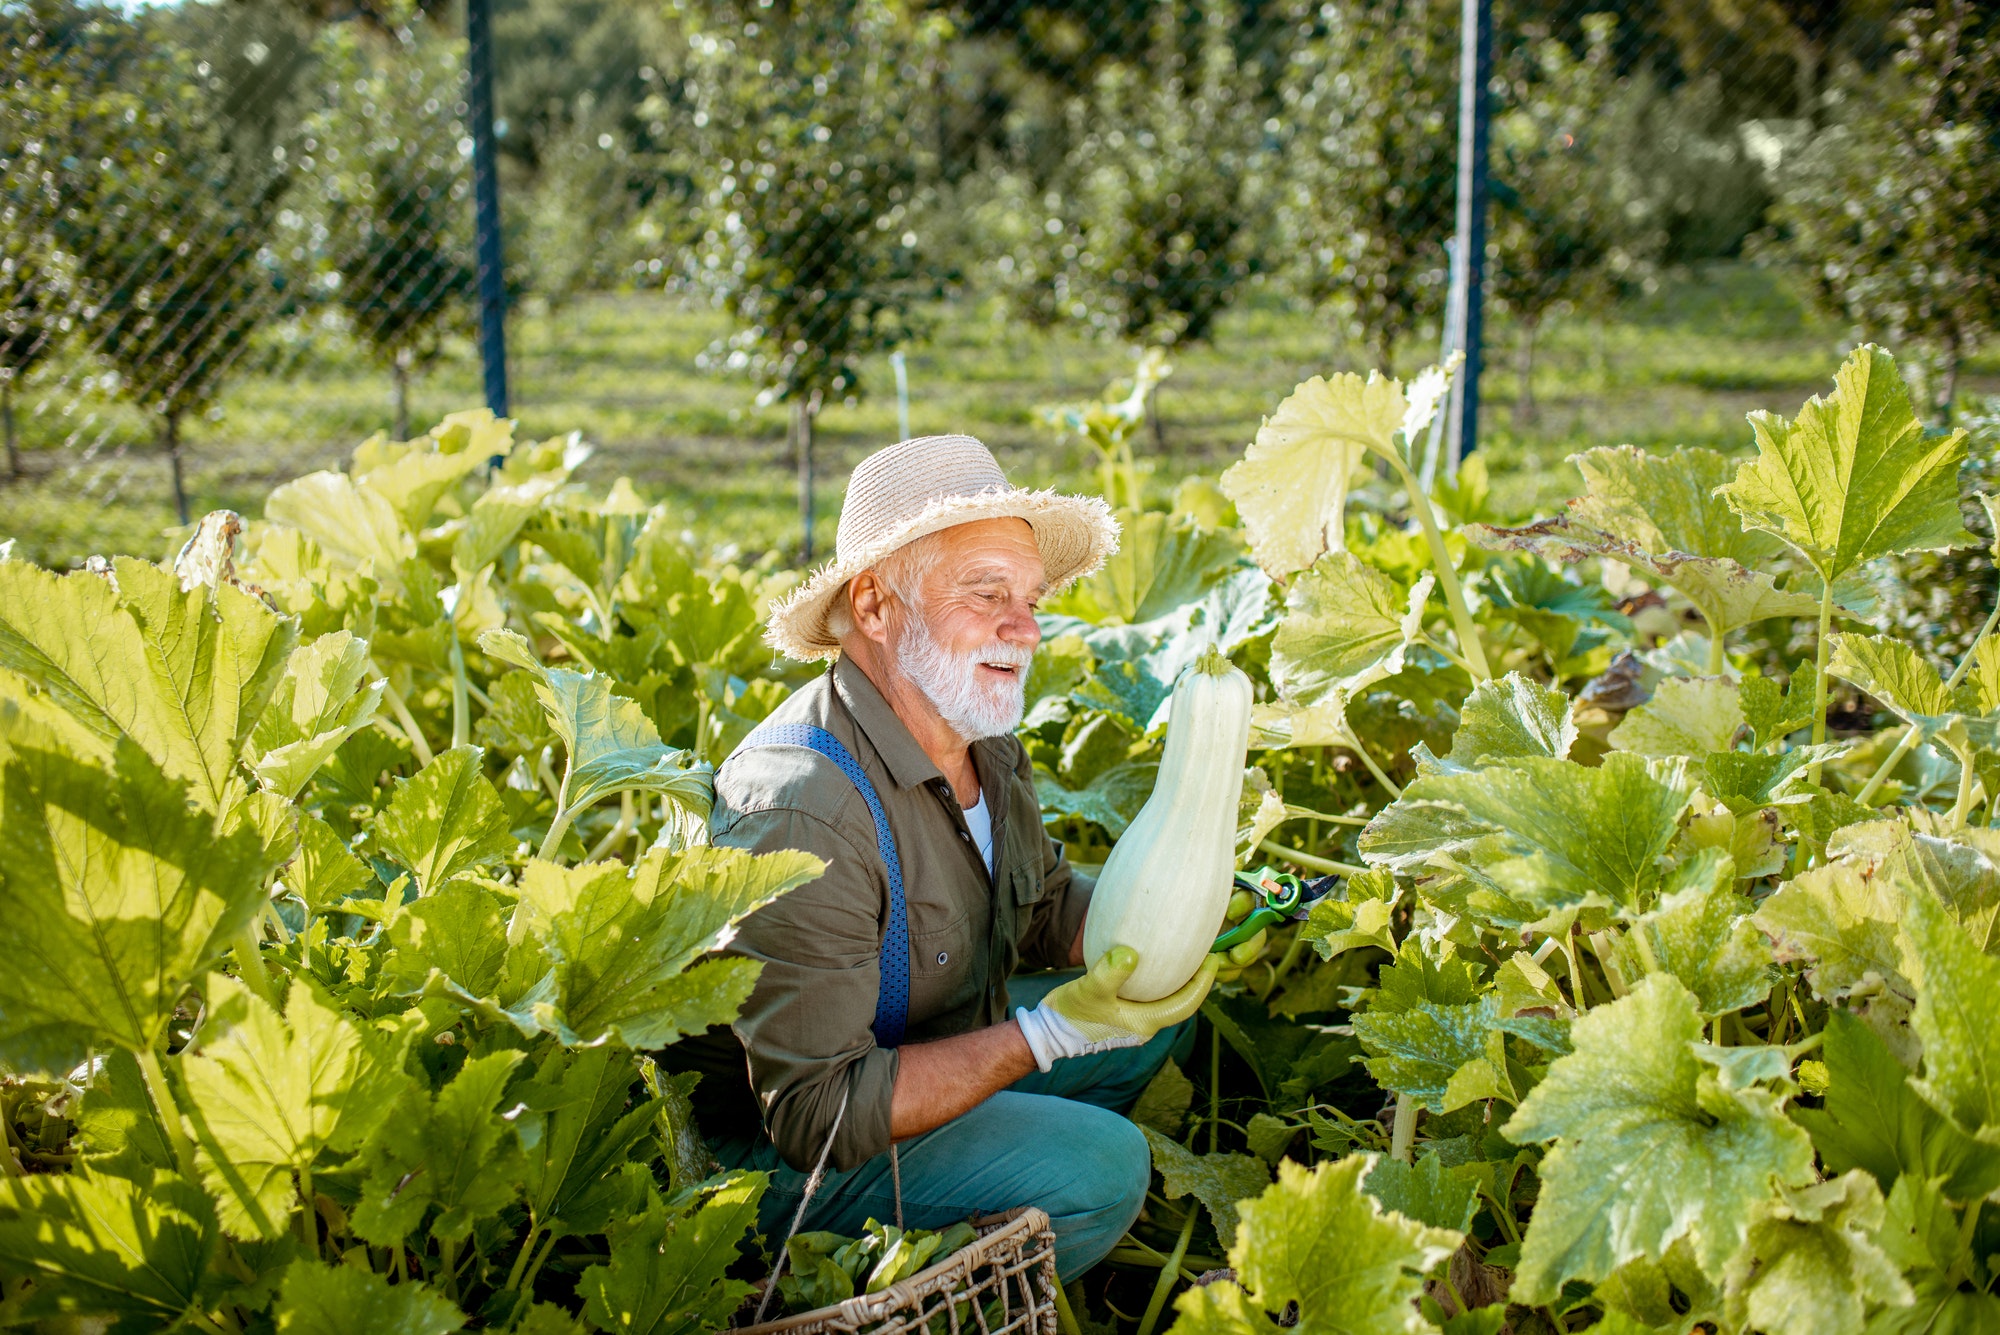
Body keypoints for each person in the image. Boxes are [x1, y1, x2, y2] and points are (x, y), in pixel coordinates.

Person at [670, 434, 1219, 1282]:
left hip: (920, 1051)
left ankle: (994, 1196)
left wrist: (1201, 909)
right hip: (774, 1166)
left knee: (1154, 1021)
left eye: (1030, 598)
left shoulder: (979, 736)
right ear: (877, 607)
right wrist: (1046, 1035)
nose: (1026, 627)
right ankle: (929, 1279)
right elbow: (818, 1115)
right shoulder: (803, 804)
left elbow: (1036, 909)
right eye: (987, 592)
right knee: (1106, 1167)